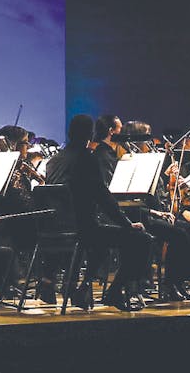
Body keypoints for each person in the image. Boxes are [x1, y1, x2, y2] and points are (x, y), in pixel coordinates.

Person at [44, 113, 153, 311]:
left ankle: (83, 287)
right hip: (81, 229)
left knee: (101, 246)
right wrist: (127, 224)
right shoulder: (87, 158)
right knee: (141, 240)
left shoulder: (53, 160)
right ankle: (114, 291)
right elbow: (103, 197)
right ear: (90, 134)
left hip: (52, 230)